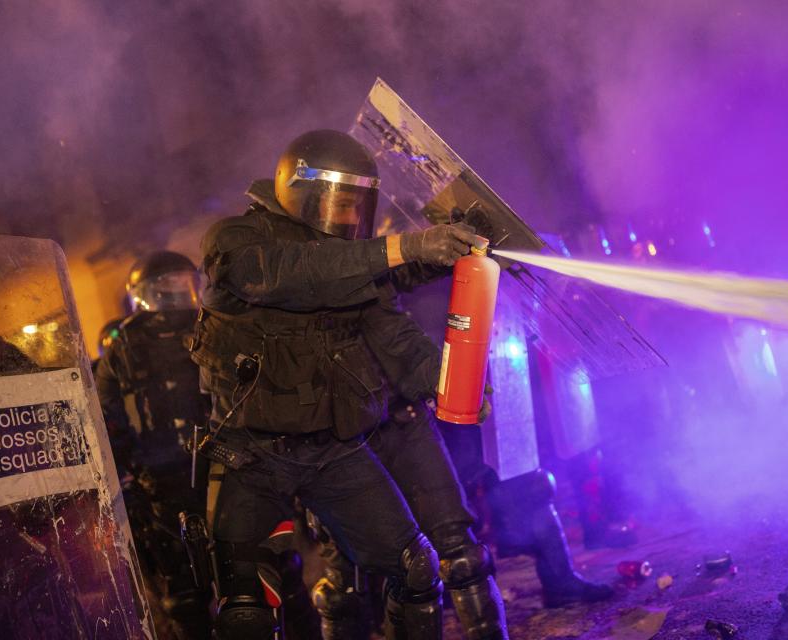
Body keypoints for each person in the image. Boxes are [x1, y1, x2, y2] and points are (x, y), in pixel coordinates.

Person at [191, 129, 502, 639]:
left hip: (333, 450)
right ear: (298, 188)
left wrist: (448, 385)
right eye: (336, 199)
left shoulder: (348, 261)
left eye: (355, 202)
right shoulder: (236, 241)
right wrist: (409, 245)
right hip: (252, 456)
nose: (346, 215)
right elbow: (294, 274)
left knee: (418, 569)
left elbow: (391, 332)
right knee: (247, 610)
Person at [95, 251, 213, 640]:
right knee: (184, 597)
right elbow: (105, 414)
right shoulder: (125, 344)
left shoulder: (210, 326)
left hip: (221, 468)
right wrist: (129, 474)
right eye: (167, 289)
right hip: (162, 482)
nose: (177, 296)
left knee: (252, 577)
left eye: (184, 286)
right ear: (145, 294)